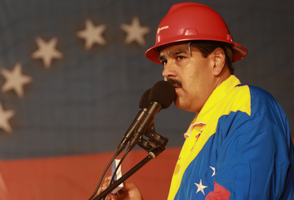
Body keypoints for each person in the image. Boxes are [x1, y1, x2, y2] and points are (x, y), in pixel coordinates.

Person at [97, 2, 294, 200]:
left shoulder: (246, 108)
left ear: (216, 61)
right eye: (164, 61)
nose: (166, 71)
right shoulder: (202, 129)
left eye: (180, 57)